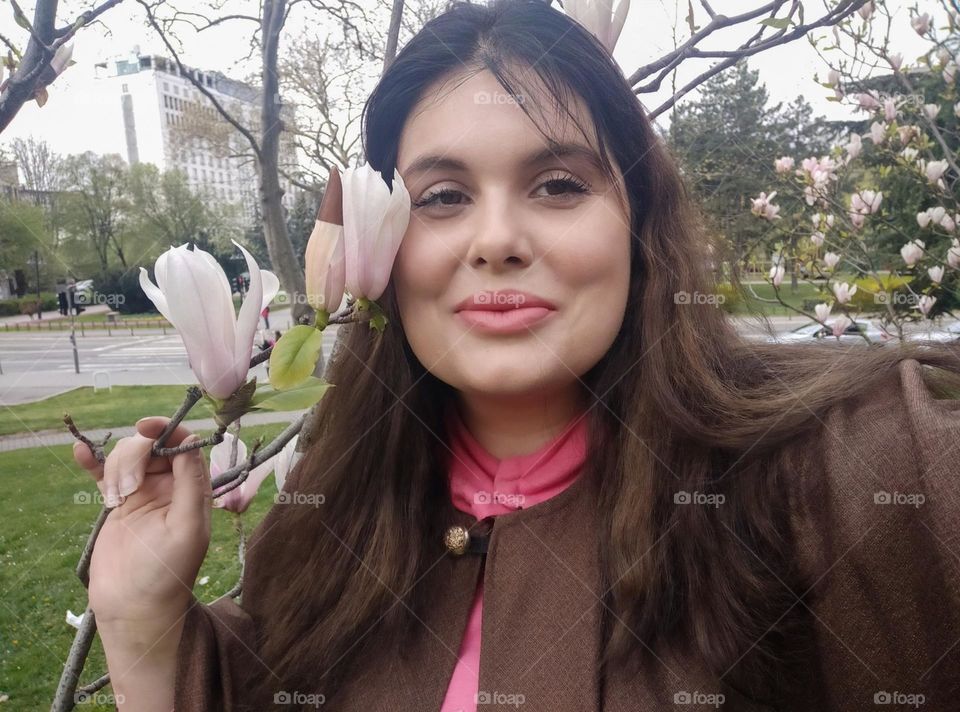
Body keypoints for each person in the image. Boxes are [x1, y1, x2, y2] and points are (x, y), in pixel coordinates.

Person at [73, 1, 960, 710]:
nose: (496, 240)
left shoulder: (854, 473)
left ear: (638, 225)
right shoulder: (330, 516)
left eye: (559, 185)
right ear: (379, 249)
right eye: (443, 196)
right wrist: (143, 619)